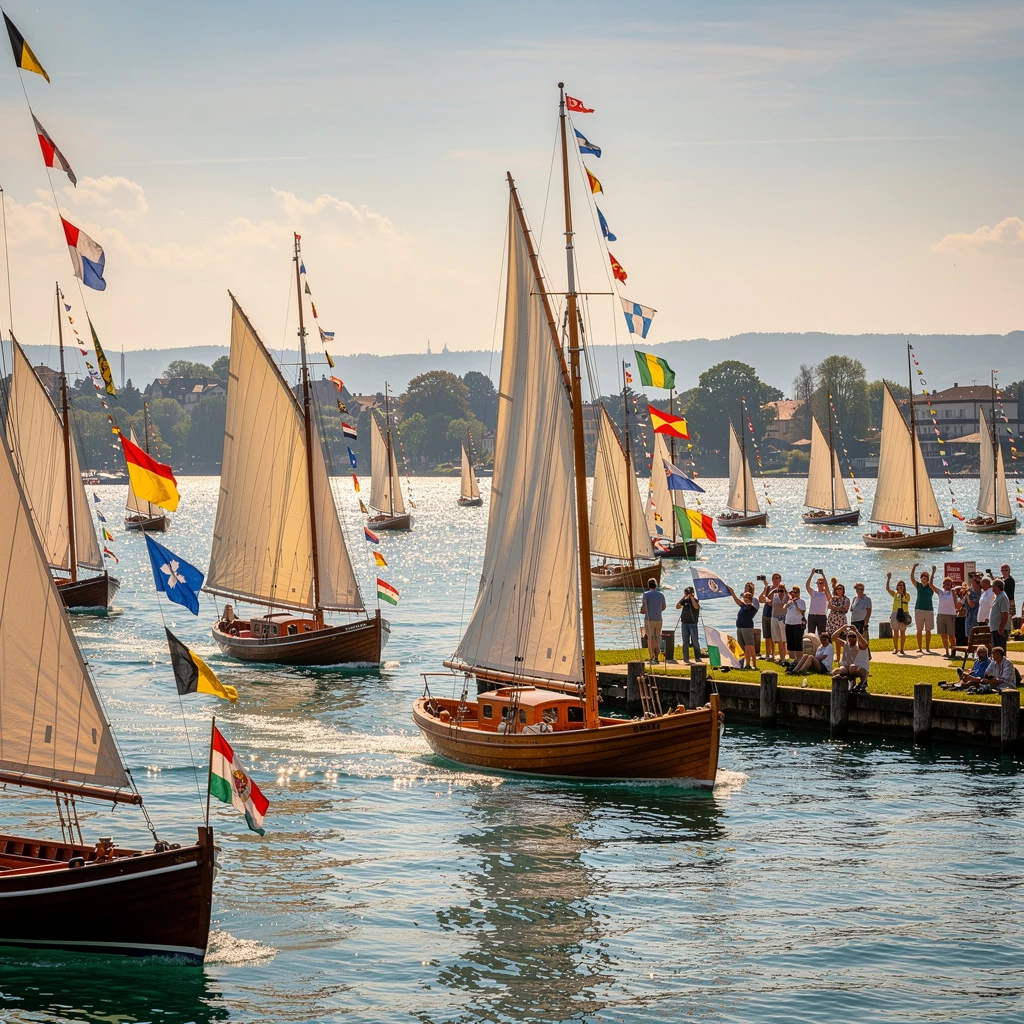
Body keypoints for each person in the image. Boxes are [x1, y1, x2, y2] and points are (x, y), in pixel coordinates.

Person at [728, 586, 760, 670]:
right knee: (743, 647)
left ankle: (754, 664)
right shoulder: (743, 606)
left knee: (750, 646)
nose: (745, 599)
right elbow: (737, 601)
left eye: (747, 598)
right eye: (744, 597)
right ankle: (746, 664)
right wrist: (732, 593)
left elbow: (756, 602)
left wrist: (751, 596)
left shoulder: (752, 607)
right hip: (740, 628)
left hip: (747, 628)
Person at [910, 562, 938, 653]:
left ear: (927, 579)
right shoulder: (918, 586)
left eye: (925, 578)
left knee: (928, 630)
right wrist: (914, 567)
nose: (924, 579)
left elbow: (932, 581)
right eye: (922, 577)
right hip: (918, 609)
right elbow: (912, 578)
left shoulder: (930, 587)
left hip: (929, 610)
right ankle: (920, 648)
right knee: (919, 630)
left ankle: (927, 648)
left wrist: (933, 572)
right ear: (921, 578)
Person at [832, 625, 870, 692]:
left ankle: (862, 683)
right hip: (846, 667)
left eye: (853, 636)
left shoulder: (859, 646)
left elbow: (864, 644)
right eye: (849, 636)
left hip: (856, 668)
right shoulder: (845, 644)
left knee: (852, 668)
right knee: (835, 672)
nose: (851, 638)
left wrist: (856, 631)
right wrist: (842, 628)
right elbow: (833, 637)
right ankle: (843, 685)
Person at [640, 578, 666, 664]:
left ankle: (652, 656)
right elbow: (663, 607)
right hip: (658, 619)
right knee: (657, 637)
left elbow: (644, 607)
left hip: (649, 619)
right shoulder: (661, 595)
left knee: (650, 637)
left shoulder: (646, 594)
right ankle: (657, 656)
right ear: (656, 585)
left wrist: (642, 611)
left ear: (648, 585)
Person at [676, 586, 703, 663]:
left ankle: (697, 657)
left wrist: (691, 597)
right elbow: (677, 606)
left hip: (693, 623)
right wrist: (684, 597)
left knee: (695, 641)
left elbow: (696, 607)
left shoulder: (695, 601)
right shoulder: (685, 601)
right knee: (685, 641)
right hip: (684, 623)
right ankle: (686, 658)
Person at [886, 574, 911, 655]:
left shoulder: (907, 594)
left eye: (902, 585)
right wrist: (888, 579)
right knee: (895, 631)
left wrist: (902, 594)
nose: (900, 586)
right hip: (895, 613)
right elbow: (887, 589)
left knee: (902, 632)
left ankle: (902, 649)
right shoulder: (895, 594)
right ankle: (896, 648)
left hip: (904, 613)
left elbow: (907, 601)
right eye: (899, 585)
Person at [759, 574, 781, 661]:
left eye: (777, 578)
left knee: (774, 636)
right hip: (766, 613)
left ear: (780, 579)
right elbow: (761, 599)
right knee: (767, 635)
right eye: (773, 578)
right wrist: (766, 598)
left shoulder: (781, 589)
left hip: (775, 615)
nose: (775, 580)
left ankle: (773, 653)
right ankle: (768, 654)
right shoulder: (768, 588)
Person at [935, 577, 958, 658]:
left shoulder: (953, 592)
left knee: (951, 635)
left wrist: (953, 591)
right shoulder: (941, 592)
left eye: (948, 584)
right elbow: (931, 585)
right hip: (941, 615)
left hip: (950, 615)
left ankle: (953, 652)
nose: (946, 585)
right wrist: (933, 572)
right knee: (943, 635)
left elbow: (955, 602)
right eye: (945, 583)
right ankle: (946, 652)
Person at [783, 586, 806, 665]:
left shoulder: (801, 601)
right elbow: (784, 607)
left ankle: (799, 659)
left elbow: (802, 612)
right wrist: (789, 599)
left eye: (796, 592)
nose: (794, 594)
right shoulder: (789, 602)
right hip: (789, 623)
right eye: (792, 592)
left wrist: (796, 603)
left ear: (799, 593)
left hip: (798, 624)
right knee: (790, 642)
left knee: (798, 642)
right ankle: (794, 659)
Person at [990, 579, 1011, 652]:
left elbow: (1005, 614)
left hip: (999, 629)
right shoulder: (998, 597)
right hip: (995, 629)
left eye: (993, 586)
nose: (991, 588)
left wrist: (1001, 629)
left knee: (999, 651)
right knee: (995, 650)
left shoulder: (1003, 597)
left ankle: (1001, 663)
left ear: (997, 587)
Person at [806, 570, 829, 637]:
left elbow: (827, 589)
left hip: (821, 616)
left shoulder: (826, 593)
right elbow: (807, 585)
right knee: (811, 635)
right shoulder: (814, 592)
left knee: (822, 635)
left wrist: (823, 574)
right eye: (818, 583)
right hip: (812, 615)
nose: (819, 584)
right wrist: (811, 574)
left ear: (824, 583)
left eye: (821, 583)